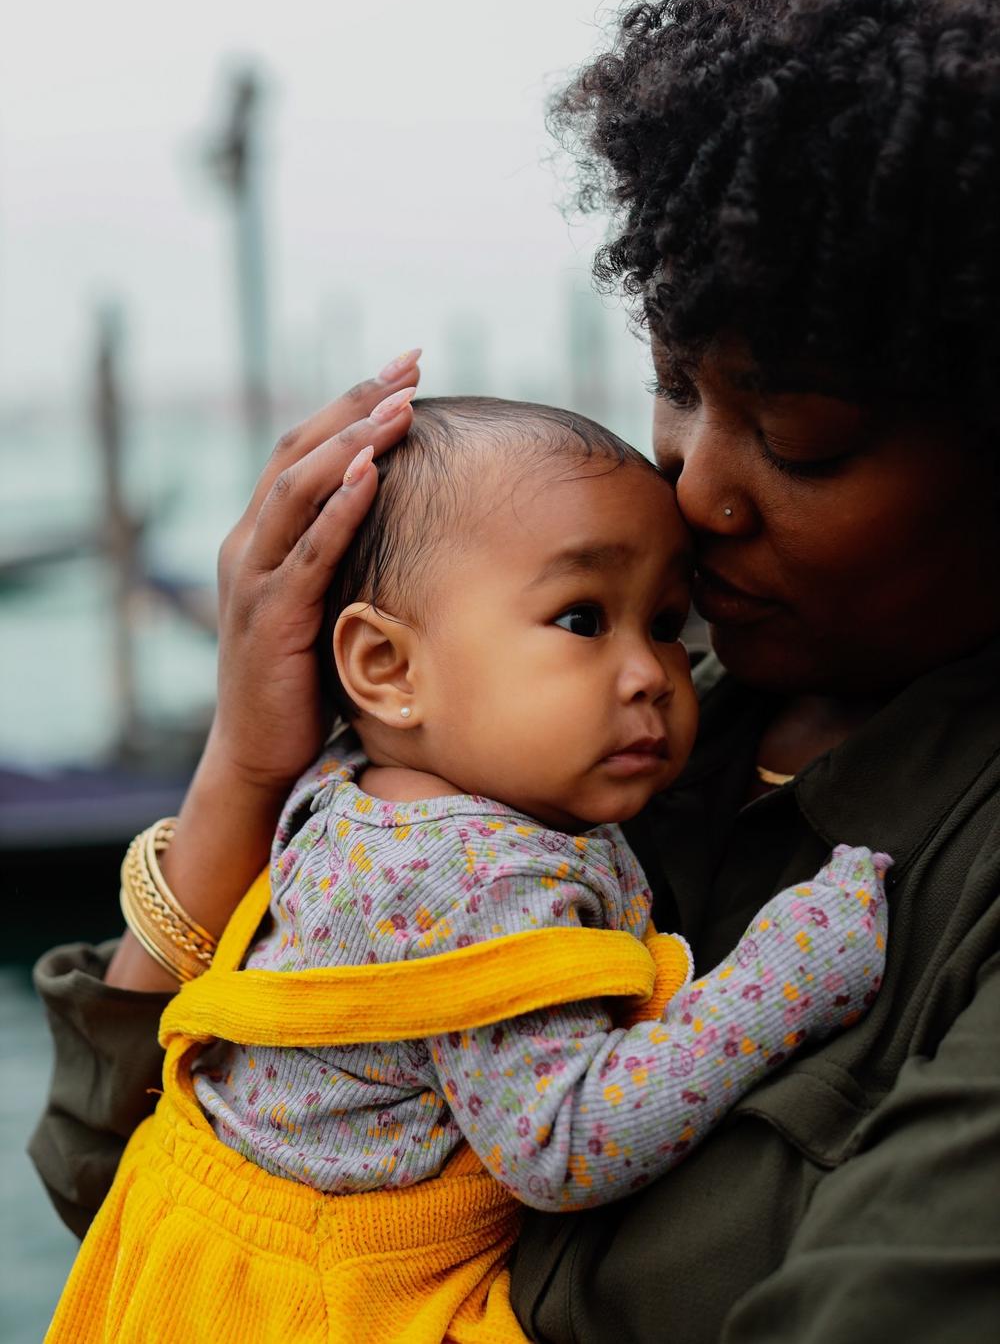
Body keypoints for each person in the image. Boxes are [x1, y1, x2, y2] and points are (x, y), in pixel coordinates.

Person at [30, 0, 1000, 1344]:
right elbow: (126, 1176)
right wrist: (240, 772)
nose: (698, 482)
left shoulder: (953, 874)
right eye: (677, 381)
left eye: (799, 441)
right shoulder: (620, 699)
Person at [44, 396, 889, 1343]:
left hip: (191, 1248)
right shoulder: (478, 880)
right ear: (386, 668)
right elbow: (562, 1142)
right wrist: (783, 979)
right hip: (334, 1301)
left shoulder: (359, 786)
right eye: (581, 618)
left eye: (665, 622)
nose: (654, 671)